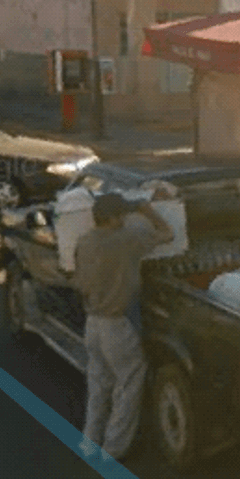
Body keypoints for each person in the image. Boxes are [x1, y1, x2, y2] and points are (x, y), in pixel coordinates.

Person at [73, 190, 175, 460]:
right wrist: (147, 210)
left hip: (92, 322)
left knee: (98, 384)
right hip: (117, 324)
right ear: (114, 217)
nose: (125, 219)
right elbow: (168, 234)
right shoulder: (127, 240)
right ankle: (113, 449)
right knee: (129, 383)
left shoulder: (84, 241)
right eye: (122, 214)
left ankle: (89, 442)